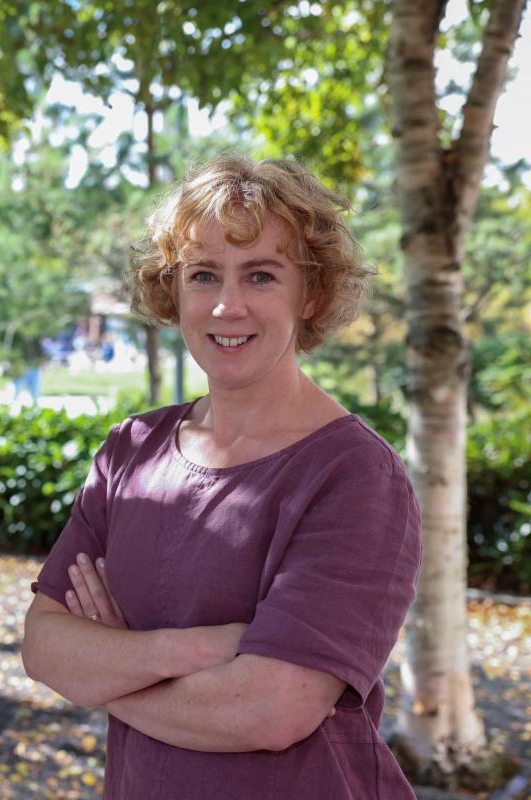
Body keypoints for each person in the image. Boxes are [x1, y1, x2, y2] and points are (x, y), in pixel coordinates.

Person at [21, 154, 421, 799]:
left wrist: (107, 668)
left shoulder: (355, 476)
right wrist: (182, 652)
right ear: (172, 290)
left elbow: (270, 710)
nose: (227, 306)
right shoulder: (132, 450)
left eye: (261, 275)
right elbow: (44, 646)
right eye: (204, 275)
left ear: (311, 292)